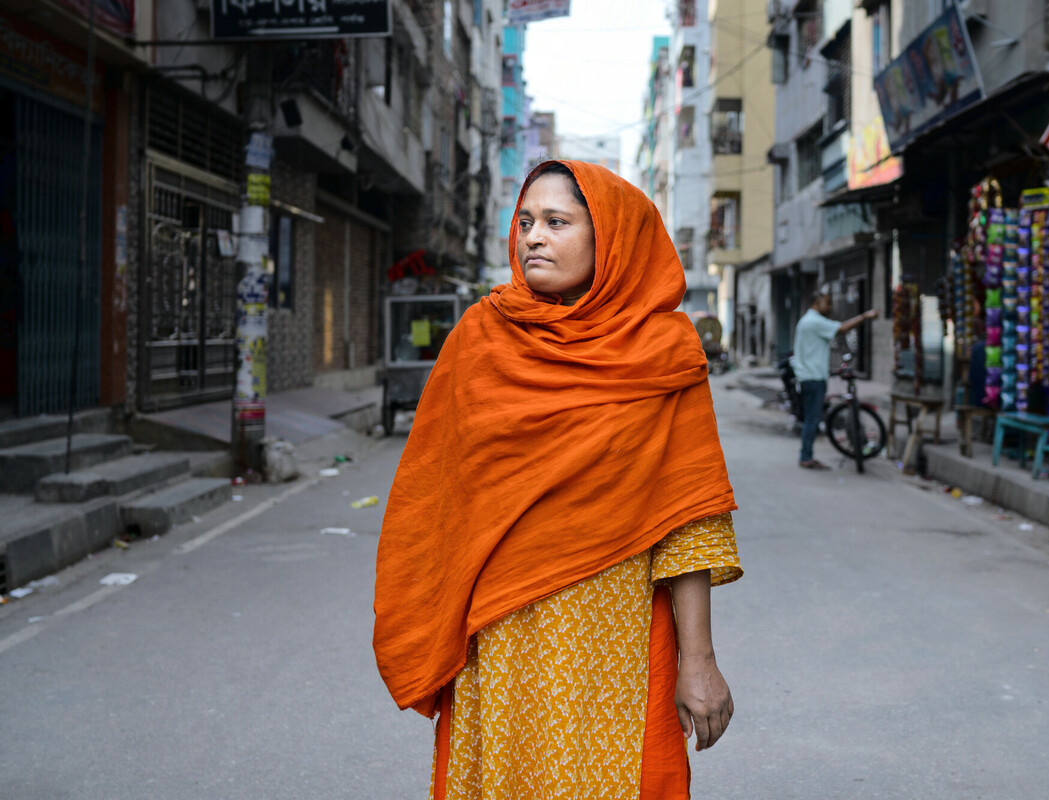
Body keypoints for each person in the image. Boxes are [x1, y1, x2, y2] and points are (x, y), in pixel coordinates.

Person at [373, 160, 743, 798]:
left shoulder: (663, 351)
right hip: (500, 635)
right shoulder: (481, 340)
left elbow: (689, 520)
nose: (533, 237)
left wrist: (699, 662)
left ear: (610, 238)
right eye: (524, 222)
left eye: (556, 222)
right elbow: (432, 500)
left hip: (618, 634)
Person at [792, 291, 878, 469]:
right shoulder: (814, 321)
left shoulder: (807, 321)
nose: (830, 307)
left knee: (812, 418)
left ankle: (806, 455)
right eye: (827, 303)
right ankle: (806, 457)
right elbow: (842, 328)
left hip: (809, 375)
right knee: (812, 419)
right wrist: (865, 316)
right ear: (817, 303)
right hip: (813, 377)